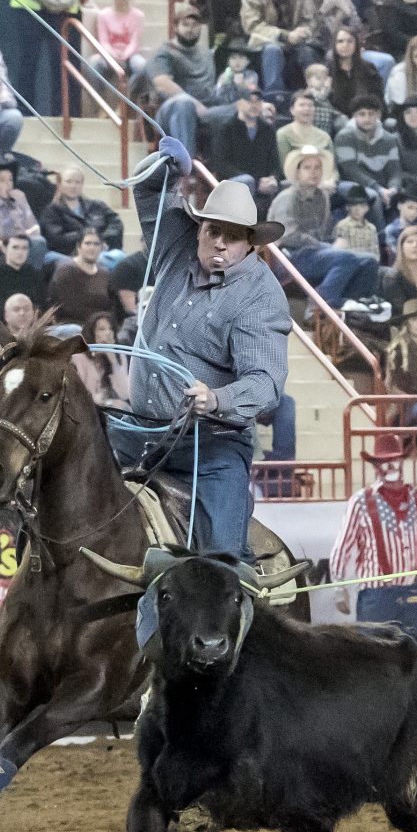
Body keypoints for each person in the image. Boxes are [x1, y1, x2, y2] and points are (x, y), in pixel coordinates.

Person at [114, 179, 293, 554]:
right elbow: (149, 193)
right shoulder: (175, 247)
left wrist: (215, 399)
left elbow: (265, 382)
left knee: (218, 565)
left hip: (212, 448)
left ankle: (237, 590)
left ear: (250, 244)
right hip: (141, 432)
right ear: (199, 231)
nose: (220, 243)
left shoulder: (261, 297)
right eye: (213, 231)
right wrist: (167, 168)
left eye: (233, 236)